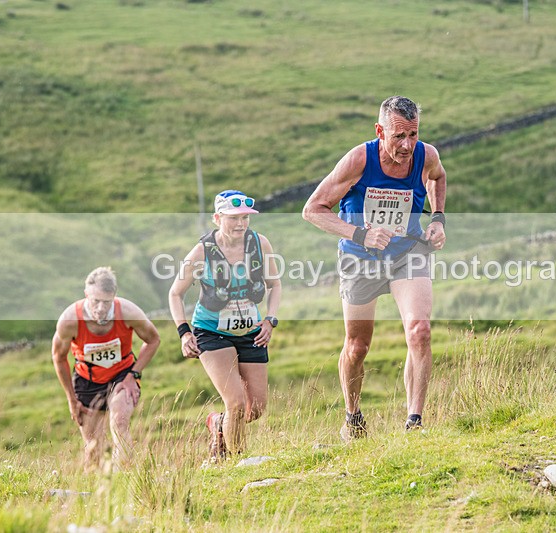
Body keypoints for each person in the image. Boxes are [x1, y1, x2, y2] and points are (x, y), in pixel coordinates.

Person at [302, 95, 447, 441]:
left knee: (420, 331)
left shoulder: (426, 155)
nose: (407, 145)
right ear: (380, 131)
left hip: (407, 252)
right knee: (357, 347)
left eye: (413, 134)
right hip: (360, 258)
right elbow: (313, 209)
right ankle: (352, 416)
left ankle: (414, 422)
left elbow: (438, 178)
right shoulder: (358, 160)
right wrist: (361, 234)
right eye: (398, 136)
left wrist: (438, 218)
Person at [169, 190, 281, 460]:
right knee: (237, 403)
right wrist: (184, 333)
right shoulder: (202, 251)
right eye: (233, 218)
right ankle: (238, 460)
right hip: (212, 333)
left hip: (251, 332)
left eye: (245, 218)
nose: (241, 224)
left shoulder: (260, 243)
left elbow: (274, 285)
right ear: (217, 218)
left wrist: (270, 319)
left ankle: (219, 423)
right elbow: (175, 293)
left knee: (255, 409)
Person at [52, 266, 161, 471]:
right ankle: (97, 490)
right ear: (86, 295)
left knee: (119, 420)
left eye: (106, 302)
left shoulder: (128, 312)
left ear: (114, 297)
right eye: (95, 301)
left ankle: (125, 477)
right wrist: (71, 398)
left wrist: (133, 374)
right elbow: (58, 358)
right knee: (93, 449)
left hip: (122, 376)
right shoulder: (69, 320)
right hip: (87, 379)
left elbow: (153, 339)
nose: (101, 308)